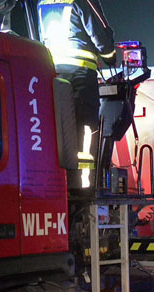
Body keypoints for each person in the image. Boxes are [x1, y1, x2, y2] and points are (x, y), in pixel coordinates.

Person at [37, 0, 116, 188]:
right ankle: (84, 186)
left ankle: (61, 181)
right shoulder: (82, 1)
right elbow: (100, 37)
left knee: (60, 128)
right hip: (80, 75)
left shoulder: (43, 2)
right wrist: (111, 56)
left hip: (54, 73)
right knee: (86, 129)